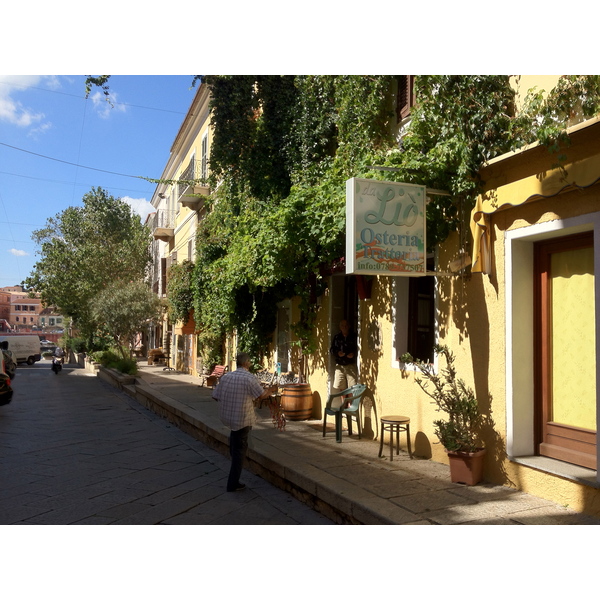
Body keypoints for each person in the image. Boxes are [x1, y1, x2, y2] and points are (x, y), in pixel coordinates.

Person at [212, 352, 277, 492]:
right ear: (247, 363)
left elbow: (215, 396)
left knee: (235, 441)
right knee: (239, 451)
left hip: (228, 416)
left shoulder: (226, 376)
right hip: (241, 418)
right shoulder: (249, 378)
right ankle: (233, 483)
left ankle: (234, 461)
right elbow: (261, 395)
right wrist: (271, 390)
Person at [330, 319, 358, 393]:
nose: (344, 327)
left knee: (352, 387)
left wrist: (353, 354)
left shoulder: (354, 337)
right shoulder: (337, 337)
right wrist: (338, 353)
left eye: (346, 325)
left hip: (350, 365)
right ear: (340, 327)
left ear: (349, 326)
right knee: (341, 387)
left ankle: (350, 404)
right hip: (340, 366)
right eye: (342, 325)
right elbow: (332, 350)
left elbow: (358, 349)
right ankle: (344, 403)